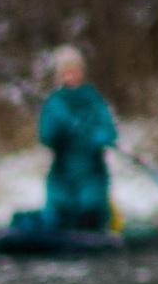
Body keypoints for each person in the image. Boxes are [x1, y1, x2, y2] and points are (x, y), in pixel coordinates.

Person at [36, 42, 118, 233]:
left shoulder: (93, 99)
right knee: (61, 212)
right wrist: (58, 127)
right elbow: (46, 136)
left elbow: (108, 130)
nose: (70, 75)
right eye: (65, 72)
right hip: (62, 171)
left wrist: (98, 137)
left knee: (90, 209)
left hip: (91, 169)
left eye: (74, 70)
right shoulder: (54, 103)